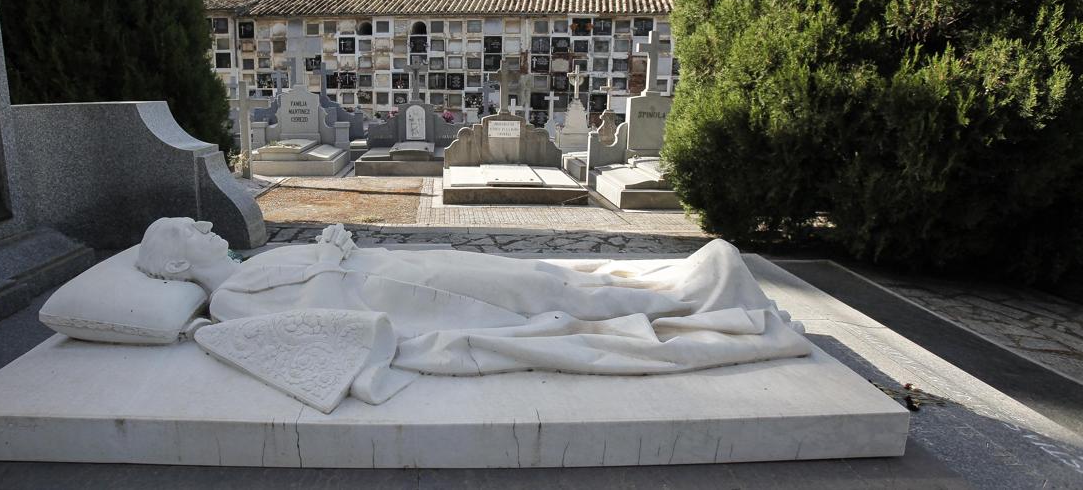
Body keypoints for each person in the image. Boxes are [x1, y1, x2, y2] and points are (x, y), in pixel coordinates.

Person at [135, 218, 811, 378]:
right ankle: (707, 300)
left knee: (546, 279)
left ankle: (688, 287)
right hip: (412, 303)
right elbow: (323, 324)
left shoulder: (253, 261)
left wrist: (336, 249)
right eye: (185, 230)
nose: (201, 224)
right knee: (544, 296)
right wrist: (334, 255)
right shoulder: (227, 306)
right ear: (172, 263)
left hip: (408, 267)